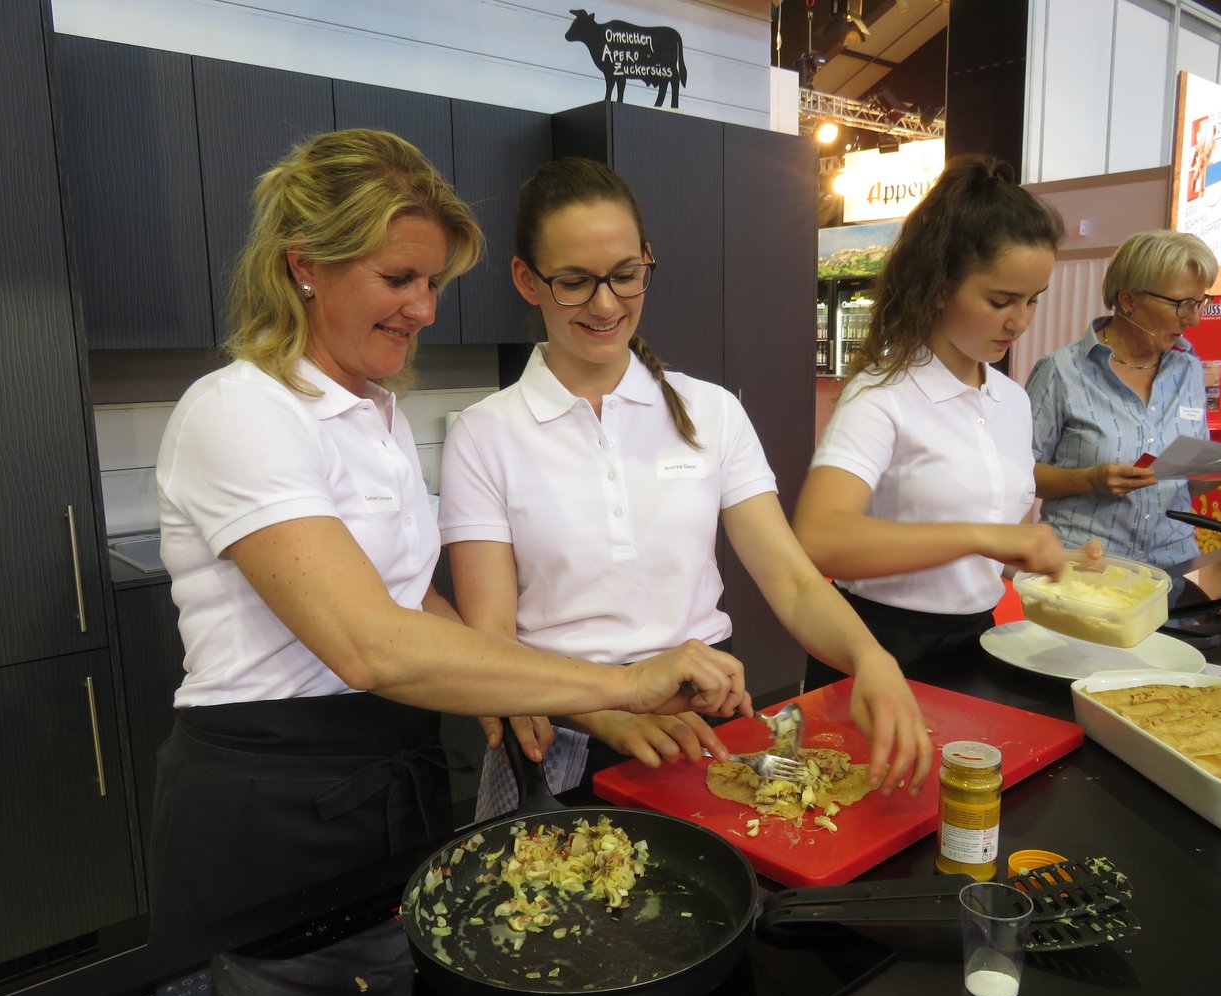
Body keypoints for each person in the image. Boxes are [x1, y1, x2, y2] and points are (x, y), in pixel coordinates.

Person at [148, 130, 750, 939]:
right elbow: (371, 644)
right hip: (275, 796)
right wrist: (621, 684)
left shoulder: (377, 416)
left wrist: (576, 705)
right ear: (305, 266)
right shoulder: (241, 409)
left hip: (397, 766)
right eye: (398, 278)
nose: (425, 309)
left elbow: (413, 605)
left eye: (432, 281)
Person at [437, 156, 932, 820]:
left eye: (624, 275)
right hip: (560, 730)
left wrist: (870, 657)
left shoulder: (712, 411)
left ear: (647, 259)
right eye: (575, 282)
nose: (606, 304)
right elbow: (490, 636)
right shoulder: (485, 433)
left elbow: (790, 578)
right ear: (527, 280)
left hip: (701, 724)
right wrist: (608, 709)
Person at [791, 154, 1073, 689]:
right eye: (1000, 300)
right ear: (940, 285)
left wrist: (1052, 560)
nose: (1020, 320)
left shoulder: (1011, 401)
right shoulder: (882, 395)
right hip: (879, 645)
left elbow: (989, 548)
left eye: (1034, 301)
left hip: (979, 642)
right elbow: (820, 537)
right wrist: (982, 537)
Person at [1026, 229, 1221, 571]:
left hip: (1170, 565)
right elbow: (1021, 478)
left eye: (1199, 303)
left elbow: (1189, 481)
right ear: (1129, 301)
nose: (1194, 319)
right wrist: (1091, 480)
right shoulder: (1061, 372)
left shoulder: (1187, 369)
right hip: (1085, 566)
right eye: (1182, 305)